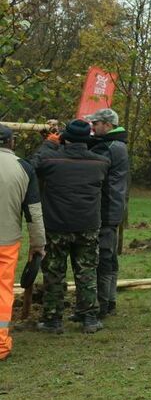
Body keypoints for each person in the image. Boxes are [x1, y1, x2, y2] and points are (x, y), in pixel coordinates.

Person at [31, 119, 110, 334]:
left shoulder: (50, 159)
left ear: (65, 138)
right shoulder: (100, 163)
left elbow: (31, 166)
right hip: (87, 225)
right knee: (86, 271)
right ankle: (89, 318)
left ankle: (53, 320)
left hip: (56, 225)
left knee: (54, 273)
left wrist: (49, 143)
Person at [0, 125, 45, 358]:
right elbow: (34, 212)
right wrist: (38, 245)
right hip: (6, 242)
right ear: (12, 142)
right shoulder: (24, 168)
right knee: (2, 291)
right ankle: (0, 345)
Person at [86, 108, 129, 317]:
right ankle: (110, 301)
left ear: (108, 125)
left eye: (96, 124)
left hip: (106, 208)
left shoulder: (110, 147)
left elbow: (88, 159)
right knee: (110, 256)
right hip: (113, 207)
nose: (92, 128)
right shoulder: (115, 144)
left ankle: (102, 305)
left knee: (104, 257)